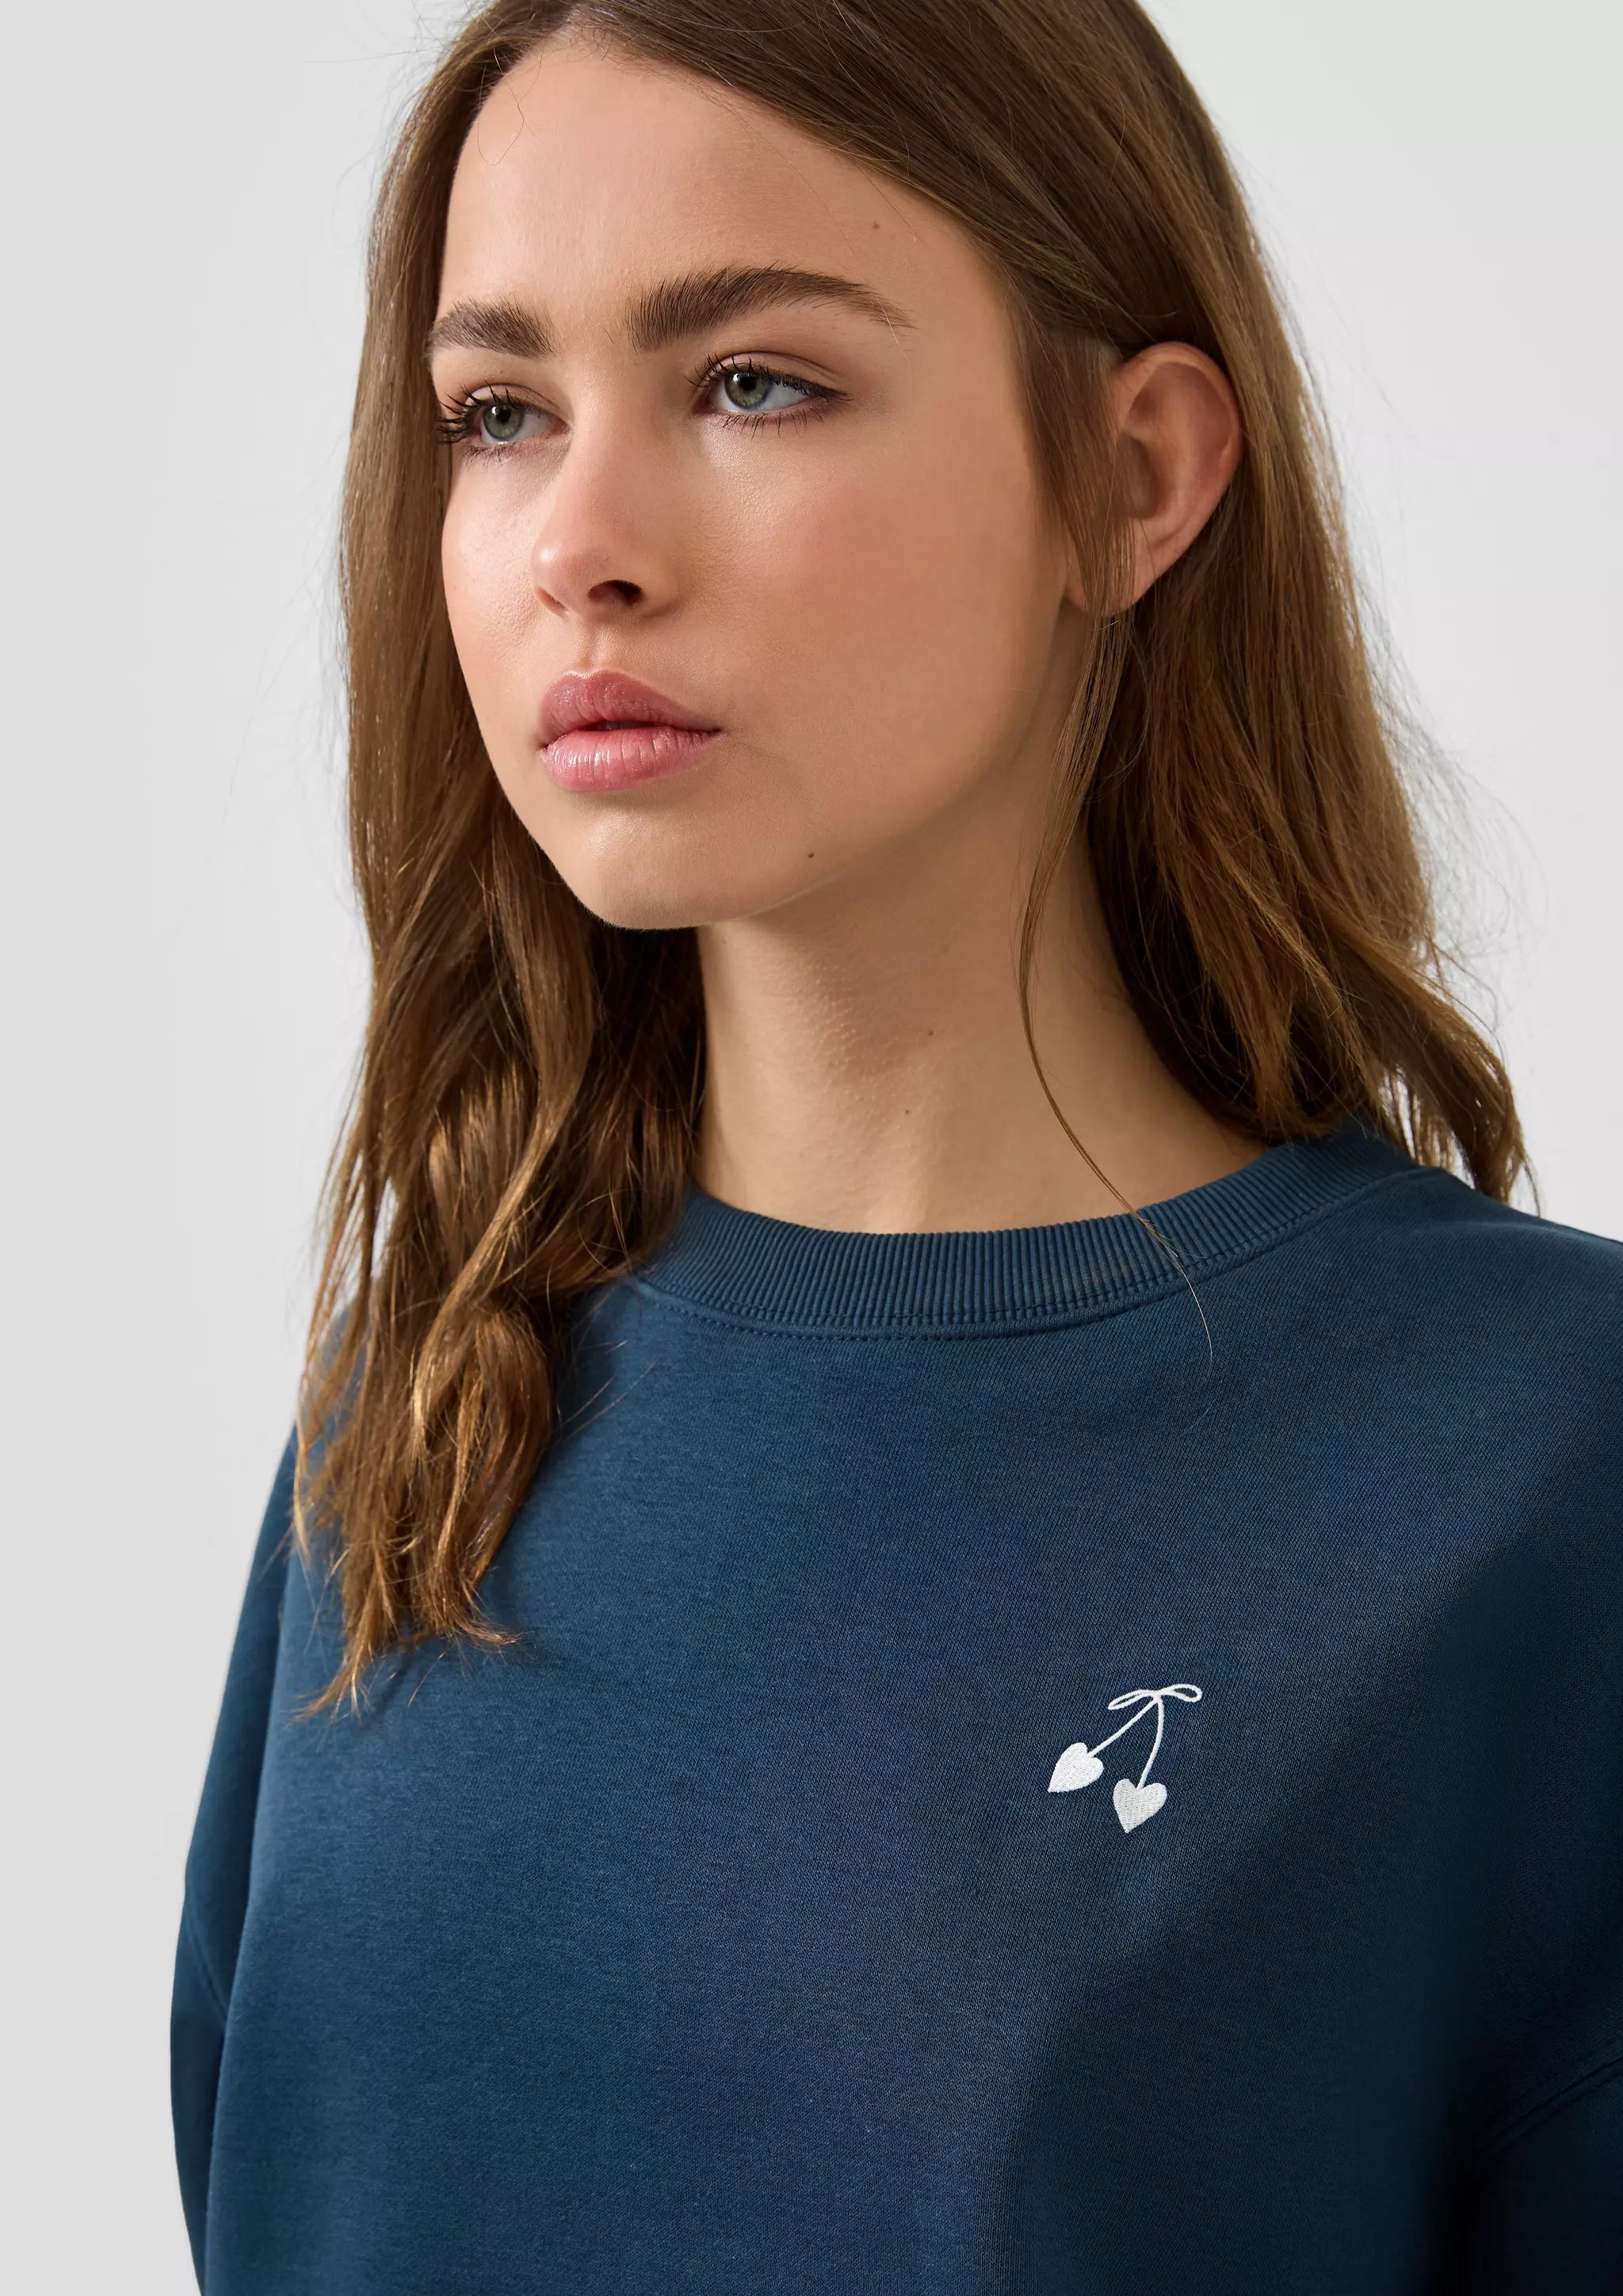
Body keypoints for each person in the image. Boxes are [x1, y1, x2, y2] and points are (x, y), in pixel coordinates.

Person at [170, 2, 1623, 2288]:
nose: (581, 544)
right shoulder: (424, 1407)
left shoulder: (1540, 1462)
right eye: (499, 413)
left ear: (1134, 476)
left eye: (754, 381)